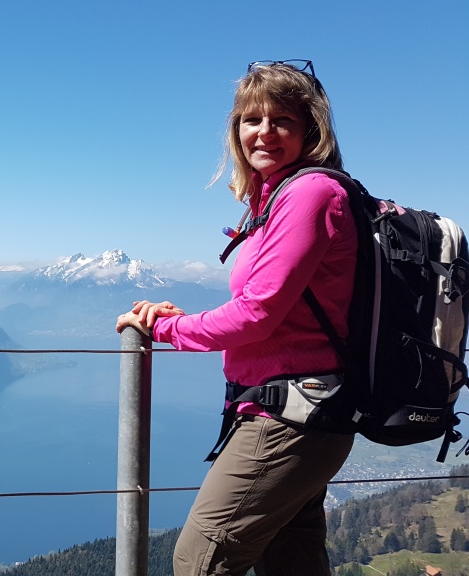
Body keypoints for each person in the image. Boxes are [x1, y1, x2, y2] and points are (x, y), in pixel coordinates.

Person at [116, 60, 357, 575]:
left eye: (282, 121)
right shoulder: (274, 200)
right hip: (301, 415)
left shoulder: (309, 194)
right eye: (252, 119)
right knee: (290, 562)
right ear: (236, 130)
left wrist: (165, 328)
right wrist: (187, 318)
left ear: (310, 131)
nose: (264, 132)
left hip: (291, 420)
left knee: (199, 562)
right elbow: (276, 310)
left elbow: (257, 315)